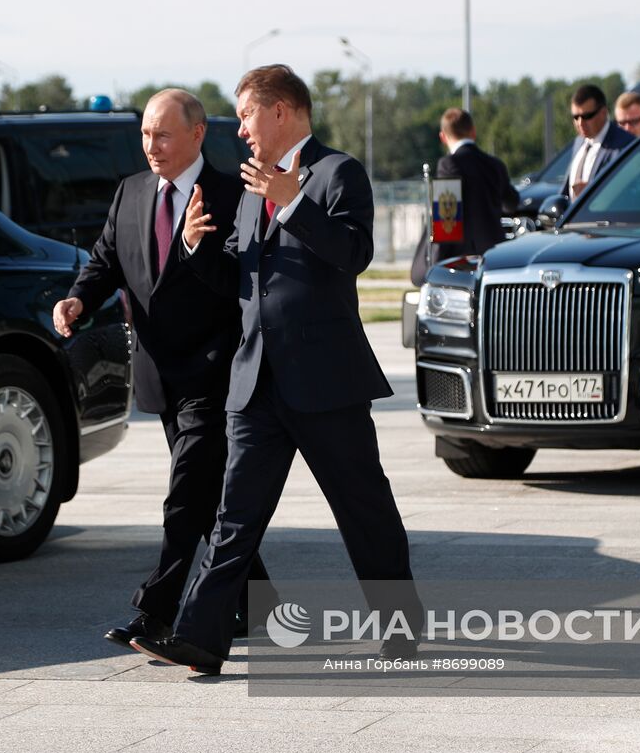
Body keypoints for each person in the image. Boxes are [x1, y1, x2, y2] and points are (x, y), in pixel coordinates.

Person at [130, 65, 423, 675]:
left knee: (363, 510)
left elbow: (353, 254)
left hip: (325, 382)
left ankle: (401, 630)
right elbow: (236, 284)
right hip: (255, 383)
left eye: (245, 115)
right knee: (233, 518)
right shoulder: (249, 187)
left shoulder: (338, 173)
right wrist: (193, 247)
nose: (240, 131)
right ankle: (201, 638)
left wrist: (292, 205)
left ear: (281, 111)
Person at [52, 88, 273, 649]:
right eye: (147, 134)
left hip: (214, 372)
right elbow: (107, 259)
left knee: (183, 498)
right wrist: (79, 299)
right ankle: (259, 602)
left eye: (165, 134)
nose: (152, 145)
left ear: (198, 134)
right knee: (209, 500)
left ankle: (158, 611)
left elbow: (245, 283)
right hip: (159, 373)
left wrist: (202, 251)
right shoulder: (130, 193)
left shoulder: (233, 195)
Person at [409, 107, 518, 286]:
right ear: (473, 132)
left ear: (442, 137)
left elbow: (446, 213)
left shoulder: (449, 164)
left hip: (462, 259)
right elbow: (512, 203)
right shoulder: (495, 164)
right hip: (494, 252)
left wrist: (435, 261)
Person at [563, 83, 635, 198]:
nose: (580, 123)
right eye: (576, 117)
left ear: (603, 112)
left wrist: (593, 193)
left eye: (587, 116)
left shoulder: (626, 145)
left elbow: (631, 192)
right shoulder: (579, 142)